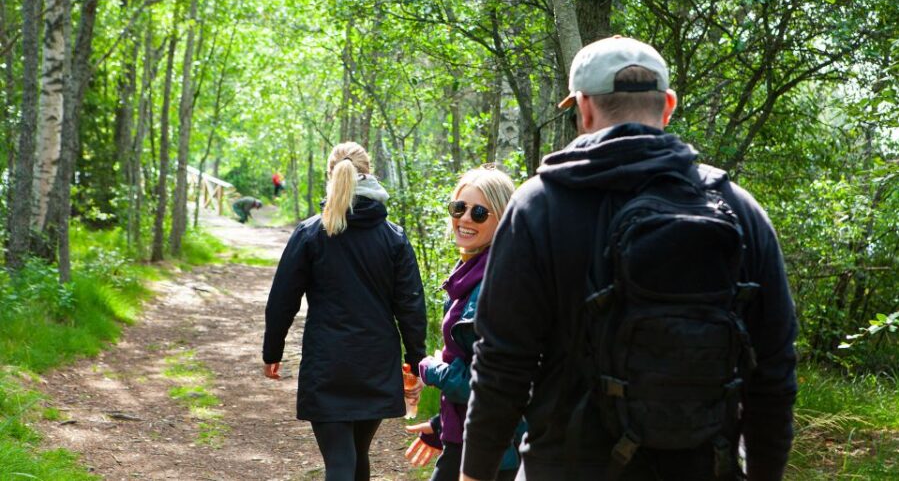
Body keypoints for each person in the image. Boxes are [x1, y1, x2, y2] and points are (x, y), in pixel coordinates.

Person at [460, 36, 797, 480]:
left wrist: (474, 473)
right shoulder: (737, 208)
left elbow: (502, 363)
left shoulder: (537, 207)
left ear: (584, 108)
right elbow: (774, 370)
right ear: (668, 106)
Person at [262, 142, 427, 481]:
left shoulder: (310, 233)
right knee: (356, 455)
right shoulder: (394, 237)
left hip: (328, 363)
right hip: (376, 362)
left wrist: (272, 351)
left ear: (331, 176)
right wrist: (416, 359)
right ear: (370, 174)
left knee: (340, 460)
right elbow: (410, 305)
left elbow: (283, 299)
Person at [404, 166, 522, 481]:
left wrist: (430, 369)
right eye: (459, 207)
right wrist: (443, 425)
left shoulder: (496, 283)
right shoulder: (471, 274)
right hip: (471, 436)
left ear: (503, 219)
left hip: (494, 448)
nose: (465, 218)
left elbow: (489, 381)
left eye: (480, 212)